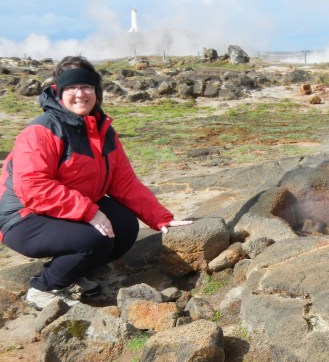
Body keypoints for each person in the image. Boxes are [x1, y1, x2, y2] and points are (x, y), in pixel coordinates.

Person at [0, 56, 192, 309]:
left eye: (86, 86)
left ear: (96, 91)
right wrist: (90, 213)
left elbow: (123, 182)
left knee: (124, 227)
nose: (79, 94)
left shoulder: (102, 130)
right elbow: (33, 187)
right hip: (23, 216)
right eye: (70, 88)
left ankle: (74, 274)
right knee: (96, 238)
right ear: (59, 92)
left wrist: (160, 217)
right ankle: (43, 287)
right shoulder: (41, 130)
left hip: (66, 209)